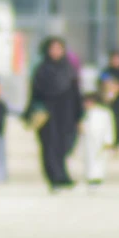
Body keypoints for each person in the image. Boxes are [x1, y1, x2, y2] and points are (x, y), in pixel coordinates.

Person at [23, 37, 83, 192]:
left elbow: (76, 94)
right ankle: (55, 178)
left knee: (65, 146)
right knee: (49, 147)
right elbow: (34, 94)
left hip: (67, 114)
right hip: (48, 115)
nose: (55, 52)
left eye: (58, 49)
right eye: (52, 49)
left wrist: (80, 116)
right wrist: (29, 112)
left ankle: (62, 175)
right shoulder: (41, 70)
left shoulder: (69, 70)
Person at [80, 92, 115, 188]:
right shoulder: (84, 113)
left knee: (100, 158)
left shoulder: (104, 112)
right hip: (88, 139)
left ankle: (98, 177)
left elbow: (109, 126)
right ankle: (90, 176)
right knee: (89, 158)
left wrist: (109, 140)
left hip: (100, 139)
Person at [99, 48, 119, 148]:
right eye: (114, 58)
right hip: (109, 103)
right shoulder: (106, 72)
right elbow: (102, 82)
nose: (116, 61)